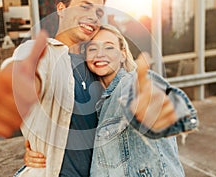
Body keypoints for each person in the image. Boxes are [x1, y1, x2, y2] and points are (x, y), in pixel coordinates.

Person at [0, 0, 196, 177]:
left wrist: (155, 107)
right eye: (85, 6)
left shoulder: (98, 71)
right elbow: (30, 69)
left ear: (122, 54)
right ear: (61, 9)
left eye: (99, 12)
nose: (93, 16)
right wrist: (20, 85)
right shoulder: (43, 53)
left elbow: (138, 94)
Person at [22, 25, 197, 176]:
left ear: (122, 55)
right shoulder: (98, 102)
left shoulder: (132, 82)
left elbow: (154, 101)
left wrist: (156, 111)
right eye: (92, 49)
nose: (100, 54)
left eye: (109, 47)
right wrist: (37, 149)